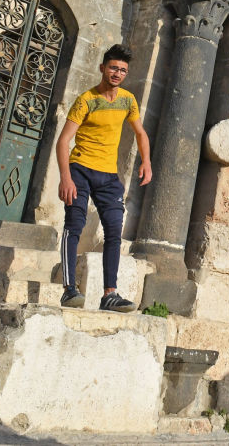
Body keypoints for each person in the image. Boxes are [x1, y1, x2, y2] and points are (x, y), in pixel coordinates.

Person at [56, 44, 152, 312]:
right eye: (113, 68)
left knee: (113, 229)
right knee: (74, 223)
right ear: (103, 68)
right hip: (80, 170)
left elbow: (141, 133)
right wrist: (66, 177)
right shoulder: (86, 99)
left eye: (122, 70)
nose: (117, 73)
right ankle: (69, 288)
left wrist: (147, 161)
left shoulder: (128, 100)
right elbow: (64, 141)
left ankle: (110, 293)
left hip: (108, 176)